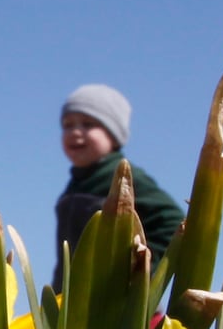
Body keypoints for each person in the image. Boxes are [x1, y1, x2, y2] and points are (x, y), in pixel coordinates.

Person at [53, 84, 184, 292]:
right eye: (67, 125)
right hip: (75, 303)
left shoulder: (125, 177)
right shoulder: (75, 185)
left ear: (114, 136)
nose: (75, 132)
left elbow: (174, 223)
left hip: (116, 307)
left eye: (88, 124)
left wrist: (142, 270)